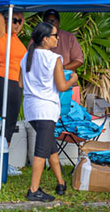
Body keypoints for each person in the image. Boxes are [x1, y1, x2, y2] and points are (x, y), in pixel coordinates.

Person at [19, 22, 77, 202]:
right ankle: (33, 190)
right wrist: (73, 79)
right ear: (45, 39)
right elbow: (62, 86)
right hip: (46, 109)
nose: (57, 38)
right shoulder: (54, 58)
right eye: (55, 35)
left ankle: (61, 183)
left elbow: (20, 83)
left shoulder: (27, 56)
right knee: (41, 150)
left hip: (31, 108)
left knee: (51, 146)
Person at [0, 10, 27, 176]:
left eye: (20, 21)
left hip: (14, 83)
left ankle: (3, 161)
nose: (17, 24)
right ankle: (2, 164)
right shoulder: (1, 36)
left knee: (10, 123)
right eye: (14, 20)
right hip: (6, 80)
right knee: (8, 123)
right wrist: (7, 5)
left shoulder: (15, 38)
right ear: (6, 21)